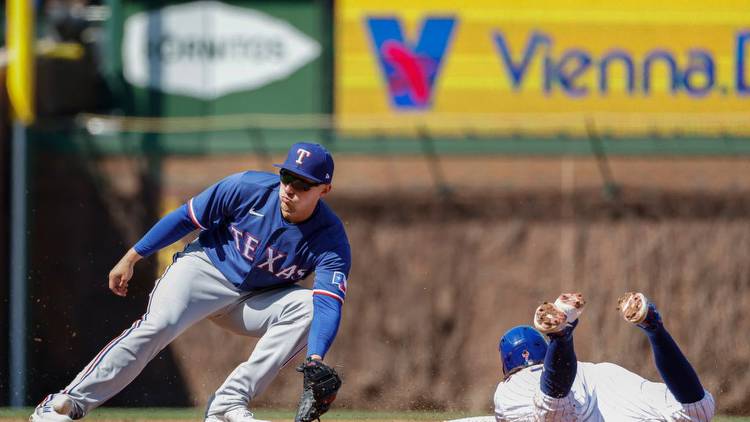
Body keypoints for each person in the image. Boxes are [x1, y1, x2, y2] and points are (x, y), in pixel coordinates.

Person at [31, 142, 351, 422]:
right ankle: (65, 404)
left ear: (324, 190)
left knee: (307, 307)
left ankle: (227, 405)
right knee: (158, 325)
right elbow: (186, 217)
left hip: (255, 299)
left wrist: (316, 358)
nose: (290, 188)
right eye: (286, 176)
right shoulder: (246, 187)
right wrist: (132, 256)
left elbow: (327, 301)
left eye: (303, 183)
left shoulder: (331, 239)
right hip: (204, 270)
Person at [448, 292, 715, 422]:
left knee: (553, 412)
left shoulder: (511, 387)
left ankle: (562, 336)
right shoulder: (599, 371)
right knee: (697, 410)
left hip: (561, 394)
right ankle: (654, 327)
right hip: (601, 385)